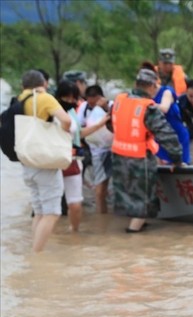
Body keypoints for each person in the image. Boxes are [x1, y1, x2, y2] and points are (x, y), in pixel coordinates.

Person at [111, 68, 182, 233]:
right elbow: (167, 136)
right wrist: (176, 158)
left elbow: (111, 124)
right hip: (139, 158)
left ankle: (135, 225)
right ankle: (132, 235)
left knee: (126, 193)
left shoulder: (119, 101)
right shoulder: (148, 107)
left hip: (118, 156)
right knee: (143, 198)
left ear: (136, 84)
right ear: (151, 87)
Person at [16, 70, 72, 252]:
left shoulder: (19, 100)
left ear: (23, 85)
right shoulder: (44, 98)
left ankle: (34, 249)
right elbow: (66, 120)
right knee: (52, 213)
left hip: (26, 161)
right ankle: (37, 254)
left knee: (39, 210)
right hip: (44, 161)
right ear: (44, 84)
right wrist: (64, 133)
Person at [141, 61, 191, 165]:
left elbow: (164, 108)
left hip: (176, 136)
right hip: (159, 136)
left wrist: (145, 105)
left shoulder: (167, 92)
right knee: (161, 168)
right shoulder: (144, 95)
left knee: (179, 167)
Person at [55, 79, 85, 231]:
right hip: (68, 160)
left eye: (74, 98)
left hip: (59, 160)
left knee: (52, 204)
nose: (71, 101)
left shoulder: (49, 110)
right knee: (73, 201)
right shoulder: (72, 113)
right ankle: (74, 234)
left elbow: (79, 134)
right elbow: (77, 135)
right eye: (68, 98)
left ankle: (69, 233)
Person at [78, 84, 114, 213]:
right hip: (95, 150)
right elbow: (80, 127)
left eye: (95, 103)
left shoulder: (112, 106)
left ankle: (103, 219)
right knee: (100, 190)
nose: (93, 106)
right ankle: (101, 217)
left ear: (100, 98)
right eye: (90, 103)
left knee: (104, 188)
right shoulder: (84, 107)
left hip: (113, 149)